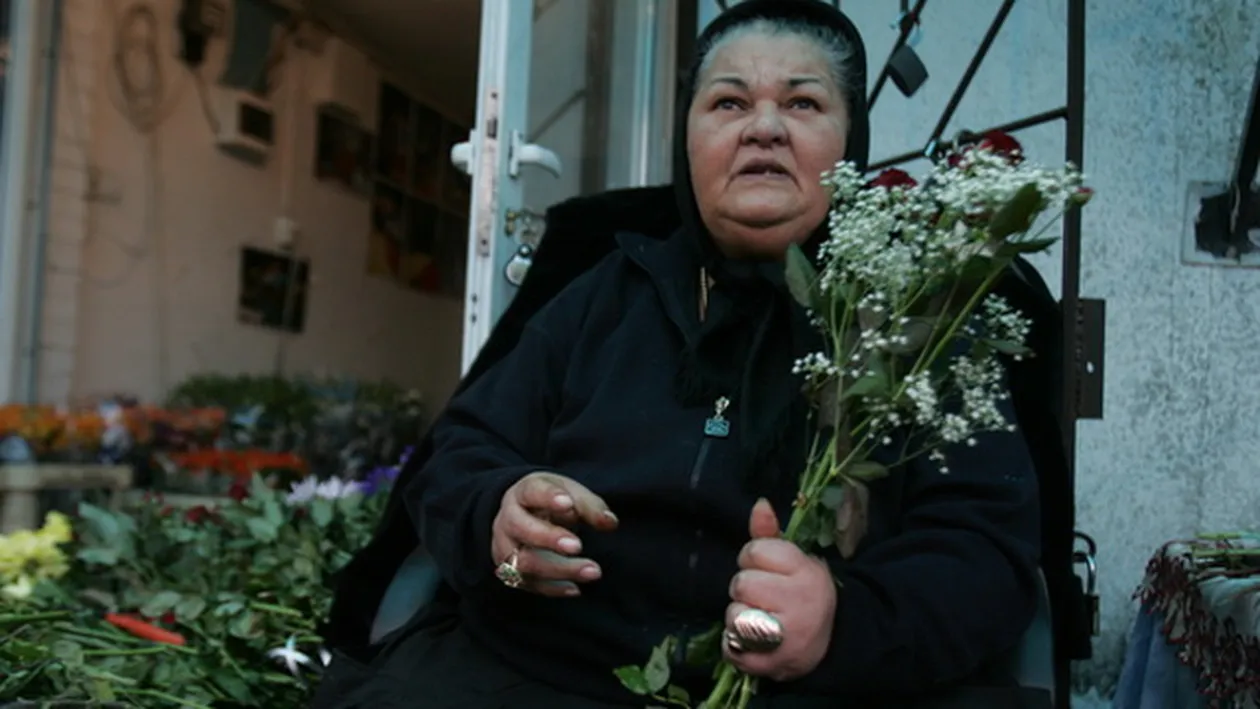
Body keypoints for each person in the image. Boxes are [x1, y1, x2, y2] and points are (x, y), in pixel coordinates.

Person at [312, 2, 1047, 707]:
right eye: (729, 102)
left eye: (802, 103)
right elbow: (461, 453)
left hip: (820, 691)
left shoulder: (916, 319)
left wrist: (843, 622)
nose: (764, 128)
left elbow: (984, 551)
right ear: (687, 140)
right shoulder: (603, 293)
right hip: (538, 673)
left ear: (849, 141)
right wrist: (499, 516)